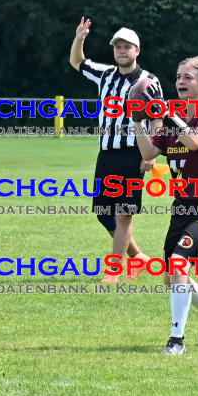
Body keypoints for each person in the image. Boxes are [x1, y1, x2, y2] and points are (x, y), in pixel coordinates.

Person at [136, 56, 198, 354]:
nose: (180, 81)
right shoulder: (173, 117)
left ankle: (176, 340)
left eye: (188, 77)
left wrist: (167, 115)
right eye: (178, 76)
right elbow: (149, 150)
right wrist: (138, 119)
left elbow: (193, 142)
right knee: (172, 276)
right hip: (182, 206)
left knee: (178, 263)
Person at [69, 17, 163, 282]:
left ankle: (114, 271)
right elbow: (77, 62)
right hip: (106, 152)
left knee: (123, 213)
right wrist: (80, 38)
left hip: (133, 153)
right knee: (102, 212)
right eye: (118, 47)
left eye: (127, 47)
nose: (122, 51)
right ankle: (139, 258)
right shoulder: (105, 74)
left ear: (137, 51)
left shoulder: (148, 81)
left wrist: (150, 154)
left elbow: (157, 119)